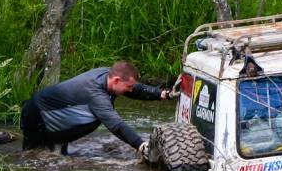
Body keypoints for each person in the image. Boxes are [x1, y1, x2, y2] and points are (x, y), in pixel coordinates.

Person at [20, 61, 175, 158]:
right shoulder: (96, 94)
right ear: (116, 80)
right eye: (128, 87)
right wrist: (141, 145)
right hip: (38, 117)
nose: (130, 90)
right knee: (36, 160)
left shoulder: (109, 75)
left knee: (59, 157)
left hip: (54, 115)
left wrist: (162, 94)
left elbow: (135, 88)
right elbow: (117, 126)